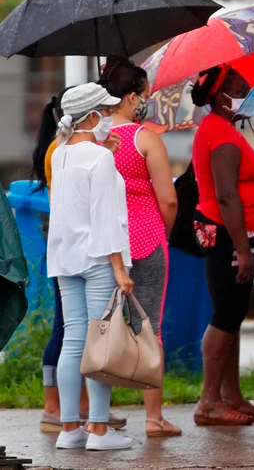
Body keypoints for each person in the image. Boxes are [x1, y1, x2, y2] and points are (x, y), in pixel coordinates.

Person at [47, 83, 134, 451]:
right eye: (107, 112)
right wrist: (119, 269)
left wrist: (106, 154)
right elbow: (105, 216)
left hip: (66, 258)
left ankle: (70, 428)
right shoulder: (99, 158)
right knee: (101, 343)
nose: (110, 118)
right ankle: (98, 428)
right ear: (94, 116)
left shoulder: (61, 153)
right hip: (99, 257)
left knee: (73, 340)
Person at [99, 57, 182, 439]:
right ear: (132, 96)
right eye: (144, 95)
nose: (145, 101)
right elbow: (168, 200)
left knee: (99, 325)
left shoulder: (94, 140)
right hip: (146, 238)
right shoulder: (144, 137)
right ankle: (153, 418)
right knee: (149, 327)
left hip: (103, 243)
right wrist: (161, 234)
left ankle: (96, 414)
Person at [190, 64, 254, 427]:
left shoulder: (227, 129)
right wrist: (242, 250)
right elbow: (227, 196)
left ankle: (232, 396)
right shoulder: (221, 135)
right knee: (225, 315)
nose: (247, 93)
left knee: (233, 316)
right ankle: (208, 402)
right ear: (220, 95)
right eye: (241, 87)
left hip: (239, 234)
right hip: (228, 234)